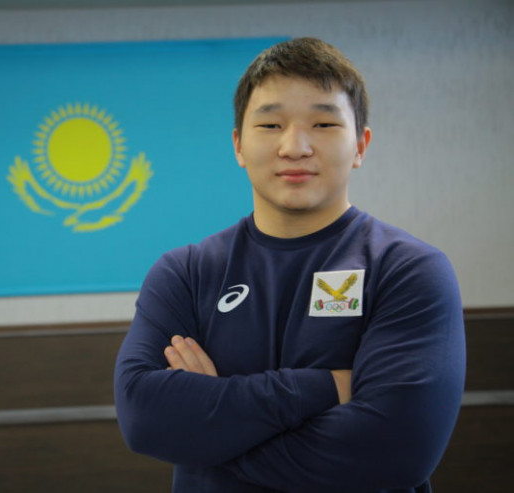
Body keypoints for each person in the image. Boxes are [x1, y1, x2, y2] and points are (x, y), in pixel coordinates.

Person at [113, 37, 466, 492]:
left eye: (323, 123)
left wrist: (211, 434)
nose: (295, 146)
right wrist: (326, 388)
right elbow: (144, 417)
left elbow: (395, 450)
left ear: (361, 145)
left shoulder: (408, 270)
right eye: (271, 124)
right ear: (239, 145)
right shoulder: (186, 273)